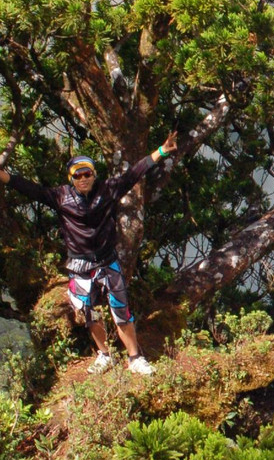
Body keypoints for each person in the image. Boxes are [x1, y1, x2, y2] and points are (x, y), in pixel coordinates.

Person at [0, 133, 179, 375]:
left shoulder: (108, 189)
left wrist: (162, 150)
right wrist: (4, 176)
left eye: (87, 174)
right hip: (80, 266)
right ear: (70, 178)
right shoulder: (61, 196)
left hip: (108, 262)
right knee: (89, 313)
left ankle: (135, 358)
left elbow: (135, 172)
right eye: (78, 175)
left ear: (94, 175)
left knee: (121, 310)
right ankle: (104, 355)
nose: (83, 179)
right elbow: (30, 189)